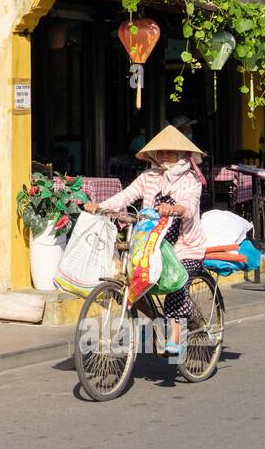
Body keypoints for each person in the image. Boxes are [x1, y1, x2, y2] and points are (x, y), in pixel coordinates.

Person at [84, 125, 208, 354]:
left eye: (169, 153)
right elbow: (126, 196)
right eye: (160, 153)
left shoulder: (191, 181)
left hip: (185, 248)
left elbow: (190, 206)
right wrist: (100, 207)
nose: (163, 157)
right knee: (131, 280)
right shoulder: (149, 177)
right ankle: (159, 320)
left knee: (175, 281)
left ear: (181, 156)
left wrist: (176, 209)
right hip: (150, 245)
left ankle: (176, 337)